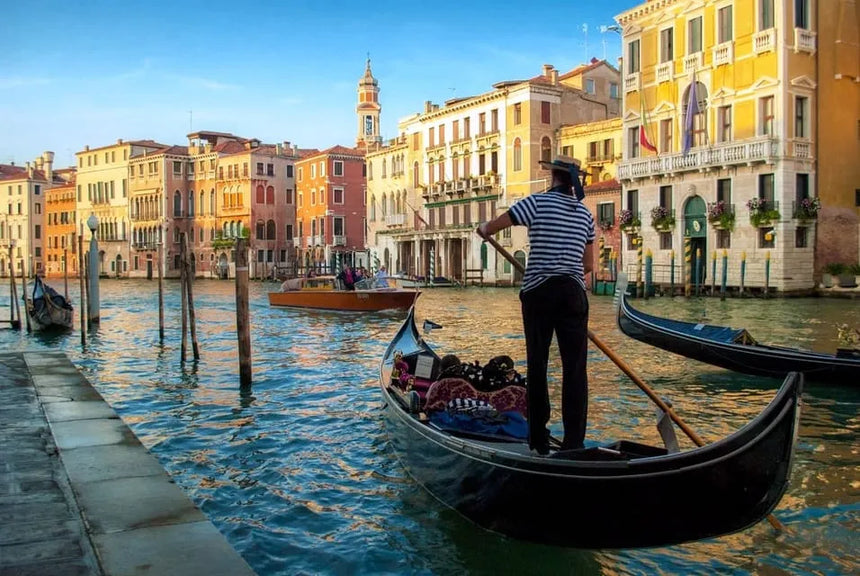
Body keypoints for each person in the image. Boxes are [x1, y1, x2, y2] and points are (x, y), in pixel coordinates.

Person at [477, 155, 594, 455]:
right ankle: (574, 444)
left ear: (553, 176)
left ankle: (539, 441)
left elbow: (497, 224)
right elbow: (588, 266)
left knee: (538, 365)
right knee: (575, 370)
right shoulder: (585, 214)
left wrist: (484, 228)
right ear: (574, 180)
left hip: (540, 292)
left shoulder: (537, 203)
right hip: (573, 293)